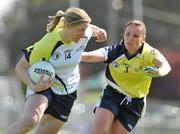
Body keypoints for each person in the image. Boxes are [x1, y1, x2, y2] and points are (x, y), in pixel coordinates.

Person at [5, 7, 107, 134]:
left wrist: (100, 31)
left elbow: (90, 28)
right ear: (67, 26)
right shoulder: (47, 43)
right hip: (44, 85)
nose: (83, 34)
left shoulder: (85, 32)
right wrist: (33, 85)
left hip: (68, 90)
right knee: (31, 120)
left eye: (84, 30)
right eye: (80, 30)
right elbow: (20, 67)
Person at [81, 20, 171, 134]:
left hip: (135, 102)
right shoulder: (114, 51)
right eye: (127, 34)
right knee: (99, 131)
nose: (130, 38)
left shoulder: (149, 53)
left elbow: (166, 66)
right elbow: (88, 57)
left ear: (143, 38)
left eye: (135, 35)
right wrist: (71, 52)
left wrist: (158, 71)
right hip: (112, 94)